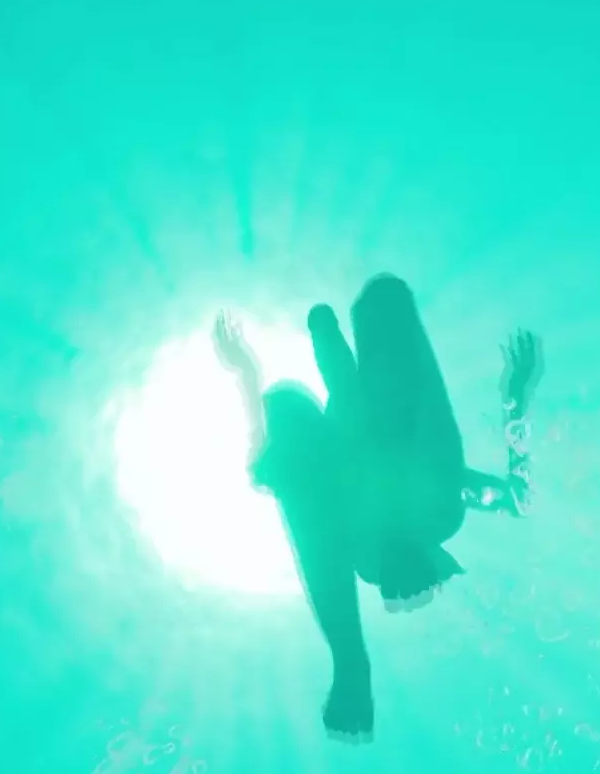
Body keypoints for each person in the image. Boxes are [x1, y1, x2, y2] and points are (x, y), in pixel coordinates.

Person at [212, 275, 544, 743]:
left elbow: (515, 499)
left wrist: (248, 375)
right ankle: (350, 661)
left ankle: (350, 661)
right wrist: (516, 399)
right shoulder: (439, 509)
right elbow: (517, 498)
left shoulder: (403, 519)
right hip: (364, 441)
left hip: (351, 449)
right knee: (308, 407)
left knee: (295, 417)